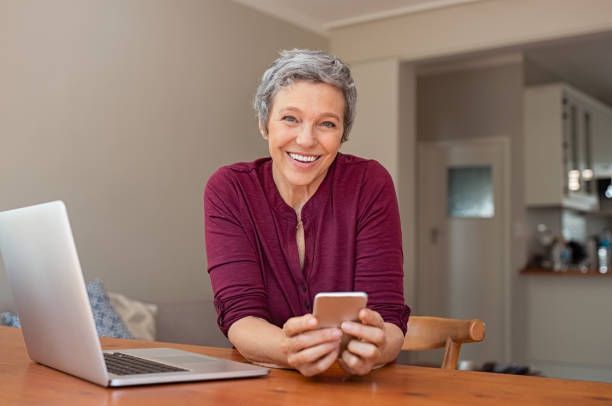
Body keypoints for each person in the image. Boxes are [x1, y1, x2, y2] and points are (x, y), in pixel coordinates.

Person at [204, 49, 410, 377]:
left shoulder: (369, 183)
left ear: (342, 133)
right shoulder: (230, 189)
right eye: (290, 118)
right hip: (263, 386)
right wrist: (290, 351)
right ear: (263, 124)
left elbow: (388, 318)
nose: (306, 139)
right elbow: (240, 317)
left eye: (326, 124)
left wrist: (378, 346)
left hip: (352, 388)